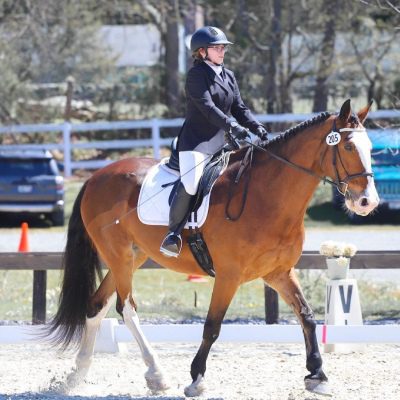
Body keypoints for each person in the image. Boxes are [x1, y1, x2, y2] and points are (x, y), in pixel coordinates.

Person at [160, 26, 268, 258]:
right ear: (201, 52)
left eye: (223, 48)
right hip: (197, 142)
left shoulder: (228, 75)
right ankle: (173, 234)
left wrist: (255, 126)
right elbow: (207, 108)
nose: (222, 51)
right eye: (217, 48)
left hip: (223, 142)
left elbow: (239, 107)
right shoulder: (196, 76)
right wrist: (232, 126)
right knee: (191, 183)